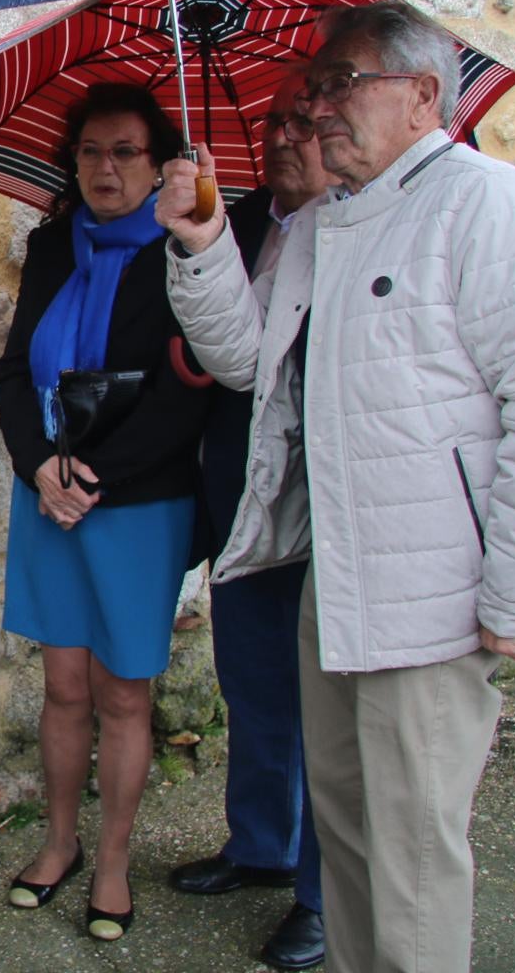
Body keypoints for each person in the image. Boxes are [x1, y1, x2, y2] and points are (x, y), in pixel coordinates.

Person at [159, 0, 515, 973]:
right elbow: (245, 357)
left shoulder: (490, 205)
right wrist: (200, 237)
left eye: (341, 84)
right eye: (315, 88)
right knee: (352, 834)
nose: (319, 108)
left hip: (441, 602)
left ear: (420, 95)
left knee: (411, 859)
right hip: (342, 584)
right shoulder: (327, 224)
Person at [0, 83, 213, 943]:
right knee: (64, 687)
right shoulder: (52, 247)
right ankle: (59, 844)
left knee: (125, 693)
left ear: (161, 165)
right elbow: (15, 372)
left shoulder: (183, 251)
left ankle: (114, 860)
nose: (105, 168)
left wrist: (94, 476)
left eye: (125, 152)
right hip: (48, 490)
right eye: (89, 151)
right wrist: (39, 465)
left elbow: (186, 395)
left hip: (135, 501)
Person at [164, 71, 328, 971]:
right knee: (255, 684)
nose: (282, 137)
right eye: (273, 123)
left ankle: (323, 893)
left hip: (329, 504)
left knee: (327, 712)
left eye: (303, 122)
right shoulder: (252, 216)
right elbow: (237, 358)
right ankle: (261, 846)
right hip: (243, 492)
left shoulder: (359, 223)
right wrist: (200, 244)